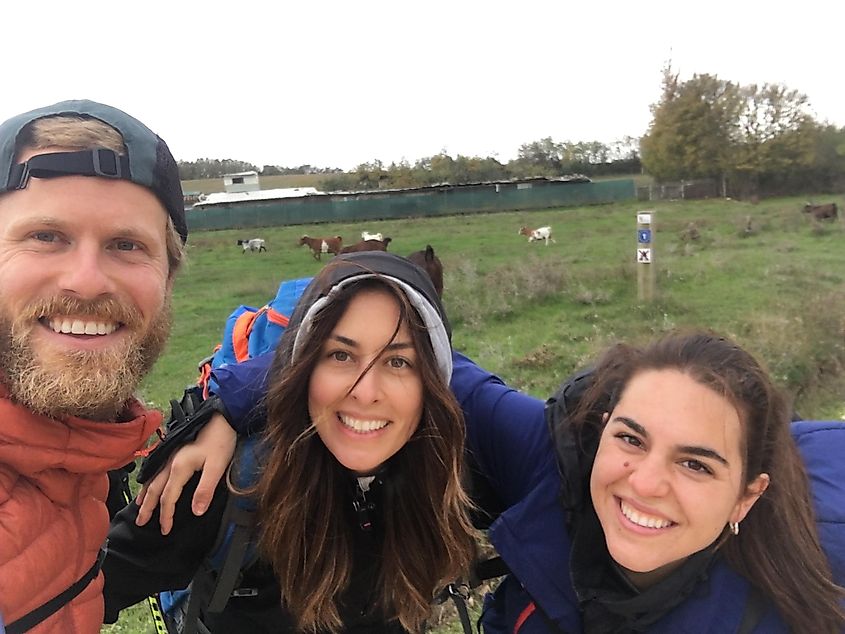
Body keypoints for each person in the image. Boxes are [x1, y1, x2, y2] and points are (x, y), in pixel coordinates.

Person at [147, 330, 845, 633]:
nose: (646, 484)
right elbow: (413, 350)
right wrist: (230, 403)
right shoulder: (554, 463)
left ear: (747, 495)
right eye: (629, 439)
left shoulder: (803, 587)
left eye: (695, 464)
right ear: (598, 427)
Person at [103, 251, 478, 633]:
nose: (365, 393)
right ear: (301, 369)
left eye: (398, 362)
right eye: (341, 355)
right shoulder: (228, 481)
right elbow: (76, 592)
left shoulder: (446, 471)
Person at [0, 99, 187, 632]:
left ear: (168, 280)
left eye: (126, 245)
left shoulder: (78, 460)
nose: (86, 281)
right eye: (45, 237)